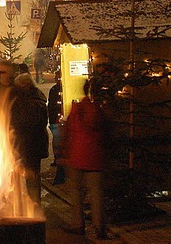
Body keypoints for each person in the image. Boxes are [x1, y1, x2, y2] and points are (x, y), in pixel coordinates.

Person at [62, 79, 108, 239]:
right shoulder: (101, 112)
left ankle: (78, 224)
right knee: (96, 194)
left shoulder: (77, 109)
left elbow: (67, 131)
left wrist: (64, 153)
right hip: (96, 158)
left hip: (77, 156)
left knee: (75, 192)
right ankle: (100, 228)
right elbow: (108, 135)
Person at [10, 73, 49, 205]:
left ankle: (34, 204)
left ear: (25, 86)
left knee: (31, 176)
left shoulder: (33, 102)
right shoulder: (36, 99)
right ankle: (31, 202)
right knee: (30, 175)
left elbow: (30, 123)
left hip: (31, 145)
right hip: (31, 144)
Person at [48, 70, 65, 184]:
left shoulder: (59, 90)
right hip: (55, 121)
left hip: (58, 121)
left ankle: (60, 164)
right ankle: (57, 160)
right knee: (57, 143)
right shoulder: (54, 90)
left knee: (59, 144)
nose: (56, 78)